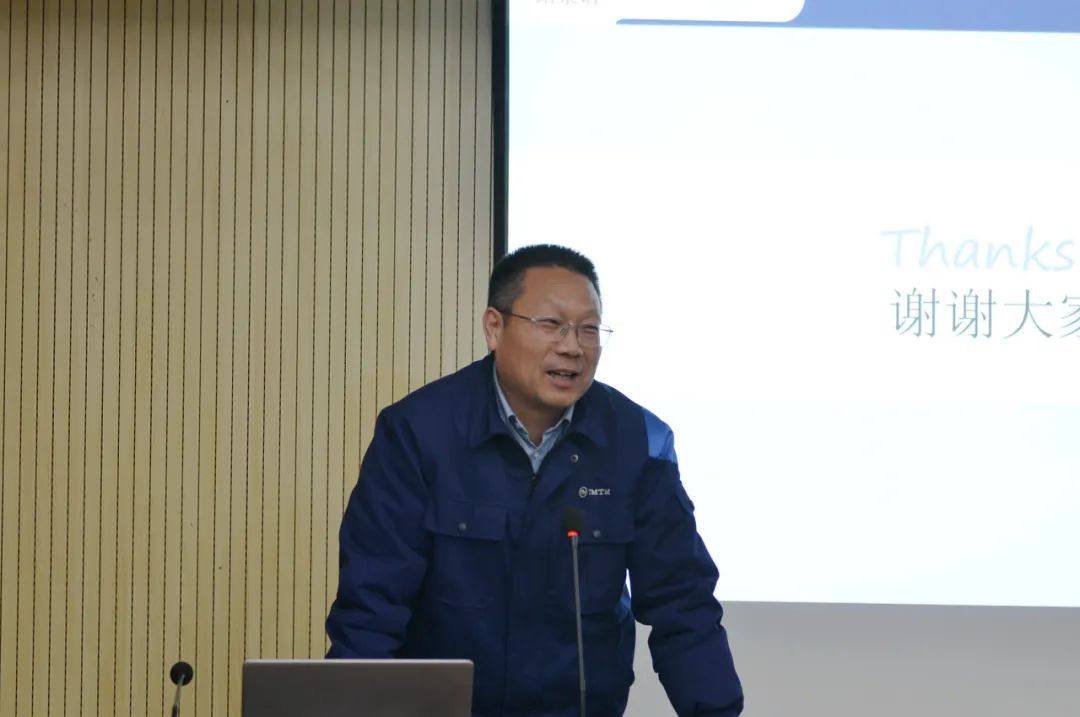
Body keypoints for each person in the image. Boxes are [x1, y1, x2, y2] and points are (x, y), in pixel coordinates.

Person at [326, 244, 743, 716]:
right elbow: (372, 606)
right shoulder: (420, 433)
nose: (572, 347)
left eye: (589, 329)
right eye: (551, 324)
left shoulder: (638, 442)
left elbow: (682, 603)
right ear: (494, 327)